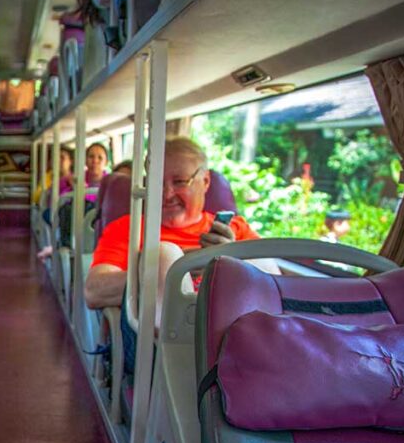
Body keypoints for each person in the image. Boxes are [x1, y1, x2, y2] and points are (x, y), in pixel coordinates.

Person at [84, 137, 275, 372]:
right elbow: (94, 291)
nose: (166, 194)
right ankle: (174, 374)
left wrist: (231, 262)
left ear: (205, 181)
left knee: (261, 259)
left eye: (180, 182)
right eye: (157, 184)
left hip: (233, 342)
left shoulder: (236, 229)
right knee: (164, 254)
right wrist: (175, 267)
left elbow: (275, 284)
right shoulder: (128, 228)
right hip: (150, 350)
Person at [37, 142, 110, 260]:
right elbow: (60, 199)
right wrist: (71, 184)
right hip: (75, 218)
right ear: (85, 160)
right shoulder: (74, 178)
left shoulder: (110, 182)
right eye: (91, 156)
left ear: (106, 162)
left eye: (100, 157)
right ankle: (67, 248)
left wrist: (84, 192)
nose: (95, 161)